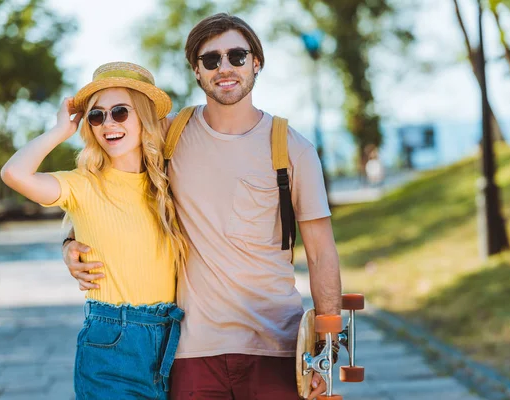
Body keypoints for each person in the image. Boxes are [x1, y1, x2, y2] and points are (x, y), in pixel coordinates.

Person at [64, 14, 342, 400]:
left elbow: (322, 252)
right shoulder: (170, 134)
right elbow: (110, 183)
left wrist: (326, 352)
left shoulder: (293, 148)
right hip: (192, 351)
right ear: (197, 70)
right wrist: (70, 240)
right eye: (211, 60)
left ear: (256, 62)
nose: (224, 68)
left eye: (236, 56)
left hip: (276, 346)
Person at [1, 62, 187, 399]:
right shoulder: (82, 185)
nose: (108, 124)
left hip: (174, 341)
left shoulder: (169, 182)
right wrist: (60, 131)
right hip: (111, 342)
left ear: (144, 117)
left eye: (119, 112)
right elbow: (14, 174)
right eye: (97, 116)